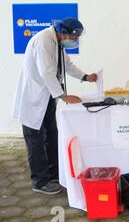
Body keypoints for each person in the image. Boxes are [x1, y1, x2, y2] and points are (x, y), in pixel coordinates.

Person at [13, 18, 98, 195]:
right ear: (64, 32)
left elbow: (67, 65)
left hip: (47, 98)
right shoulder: (43, 40)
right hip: (33, 98)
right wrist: (63, 96)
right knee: (35, 139)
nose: (74, 41)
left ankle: (53, 174)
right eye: (73, 38)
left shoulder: (58, 43)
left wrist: (85, 77)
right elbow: (47, 72)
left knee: (51, 135)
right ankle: (40, 181)